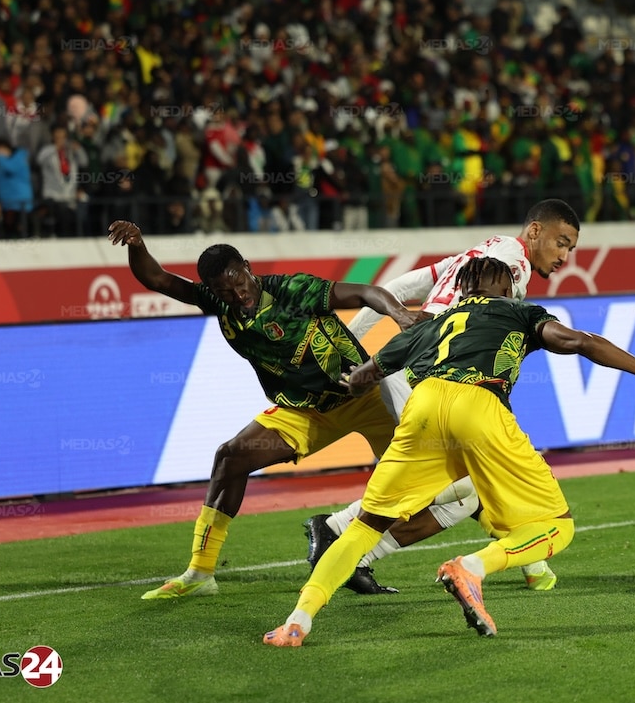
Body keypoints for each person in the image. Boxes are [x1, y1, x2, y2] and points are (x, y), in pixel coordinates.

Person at [263, 257, 635, 647]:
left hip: (424, 409)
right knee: (557, 526)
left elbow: (364, 377)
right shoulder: (517, 311)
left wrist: (337, 381)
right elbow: (578, 341)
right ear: (506, 288)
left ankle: (297, 621)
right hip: (479, 404)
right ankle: (473, 567)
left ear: (462, 289)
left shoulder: (432, 324)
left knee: (364, 528)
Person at [105, 220, 428, 599]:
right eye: (225, 291)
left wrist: (401, 315)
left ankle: (359, 549)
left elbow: (366, 292)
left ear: (247, 267)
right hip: (306, 410)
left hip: (366, 398)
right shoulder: (217, 301)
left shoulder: (291, 290)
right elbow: (158, 279)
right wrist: (137, 244)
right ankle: (200, 573)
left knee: (426, 481)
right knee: (231, 457)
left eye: (240, 283)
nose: (238, 294)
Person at [308, 199, 581, 593]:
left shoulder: (478, 255)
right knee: (465, 484)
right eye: (561, 243)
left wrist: (351, 342)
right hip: (430, 377)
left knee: (467, 481)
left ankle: (532, 565)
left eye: (570, 248)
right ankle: (337, 528)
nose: (564, 257)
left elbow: (397, 288)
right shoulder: (512, 266)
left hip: (411, 371)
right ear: (535, 230)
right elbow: (476, 333)